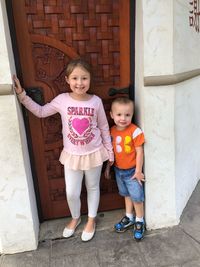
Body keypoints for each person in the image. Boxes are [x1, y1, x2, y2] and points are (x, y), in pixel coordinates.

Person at [13, 58, 114, 242]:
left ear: (90, 79)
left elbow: (104, 127)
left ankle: (91, 220)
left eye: (84, 78)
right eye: (75, 78)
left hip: (94, 153)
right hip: (72, 156)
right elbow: (41, 112)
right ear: (67, 80)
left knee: (93, 187)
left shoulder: (96, 102)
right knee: (71, 192)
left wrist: (110, 151)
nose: (80, 83)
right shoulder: (62, 100)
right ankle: (75, 217)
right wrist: (22, 95)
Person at [109, 97, 145, 241]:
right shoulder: (112, 130)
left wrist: (138, 171)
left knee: (137, 197)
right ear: (112, 115)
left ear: (132, 114)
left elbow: (139, 152)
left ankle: (140, 220)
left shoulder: (135, 131)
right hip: (119, 170)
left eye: (127, 115)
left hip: (132, 171)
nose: (123, 118)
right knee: (126, 194)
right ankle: (129, 217)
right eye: (119, 115)